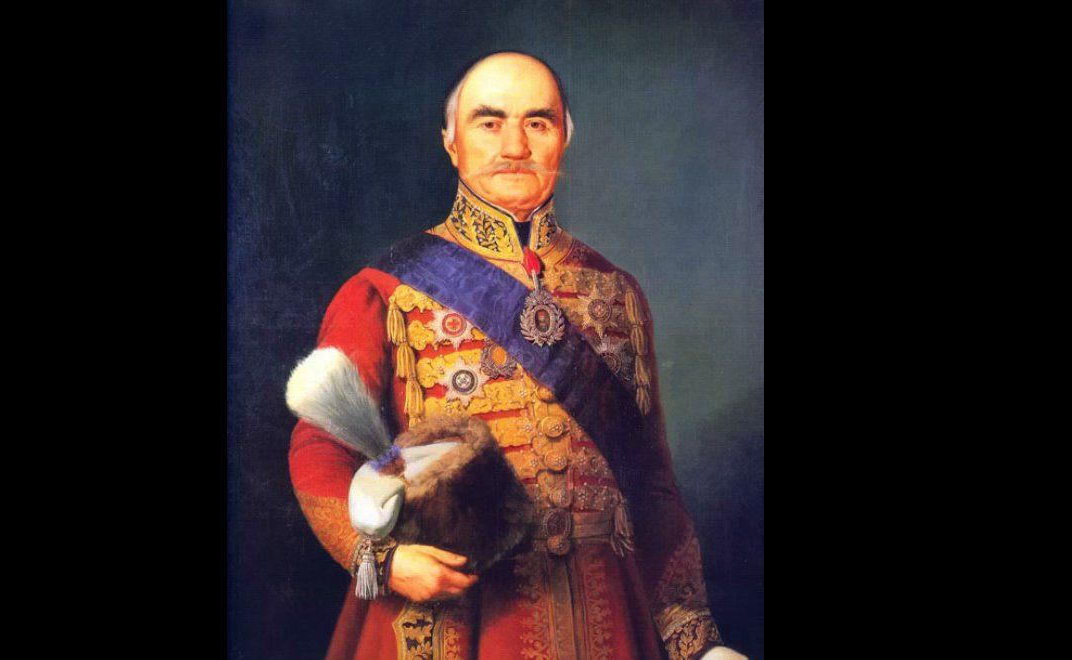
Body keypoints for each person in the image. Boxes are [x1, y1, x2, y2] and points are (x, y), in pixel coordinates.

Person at [287, 51, 746, 660]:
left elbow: (652, 487)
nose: (515, 146)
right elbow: (319, 447)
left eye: (537, 122)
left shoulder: (618, 293)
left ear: (563, 139)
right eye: (489, 121)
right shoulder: (383, 290)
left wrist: (696, 643)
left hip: (605, 619)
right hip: (450, 620)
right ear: (450, 142)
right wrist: (383, 560)